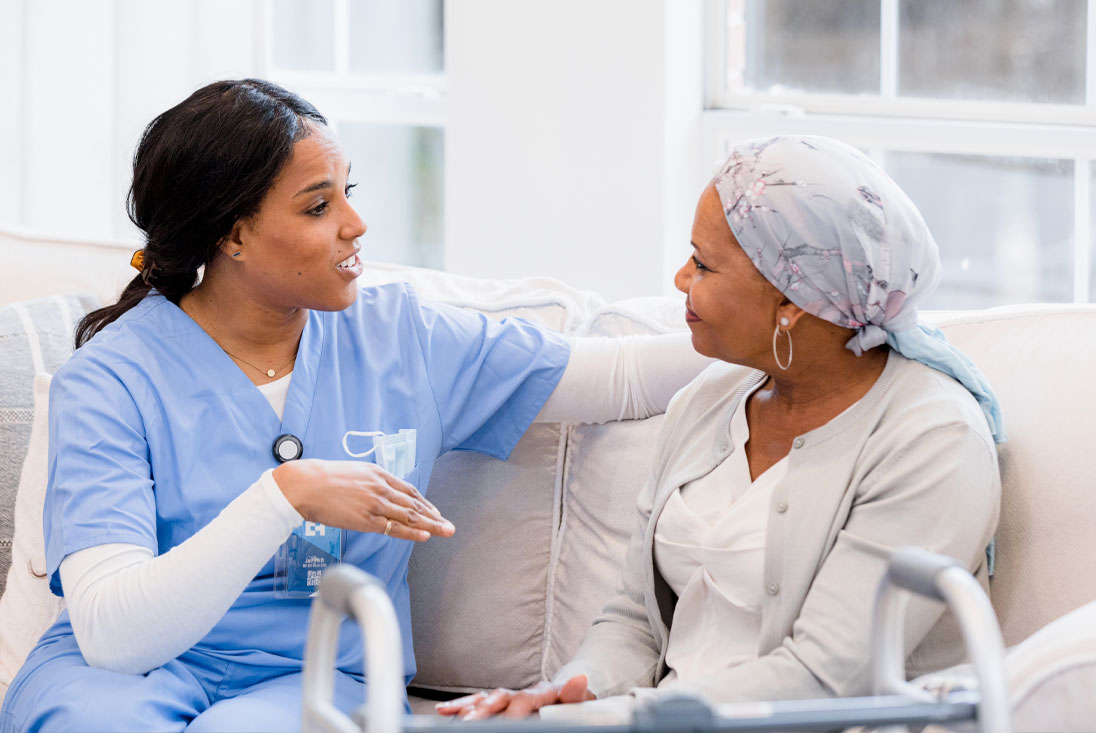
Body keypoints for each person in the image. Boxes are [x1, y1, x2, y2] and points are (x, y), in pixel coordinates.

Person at [0, 79, 708, 733]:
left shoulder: (403, 336)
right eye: (318, 205)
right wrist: (286, 494)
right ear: (233, 235)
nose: (356, 223)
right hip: (119, 676)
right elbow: (114, 637)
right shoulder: (109, 378)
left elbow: (622, 377)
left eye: (349, 192)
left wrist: (779, 315)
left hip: (313, 676)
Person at [437, 134, 1005, 720]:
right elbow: (634, 617)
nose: (681, 278)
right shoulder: (708, 399)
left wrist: (619, 719)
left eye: (703, 264)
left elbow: (829, 677)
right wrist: (568, 694)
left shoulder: (933, 439)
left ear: (793, 301)